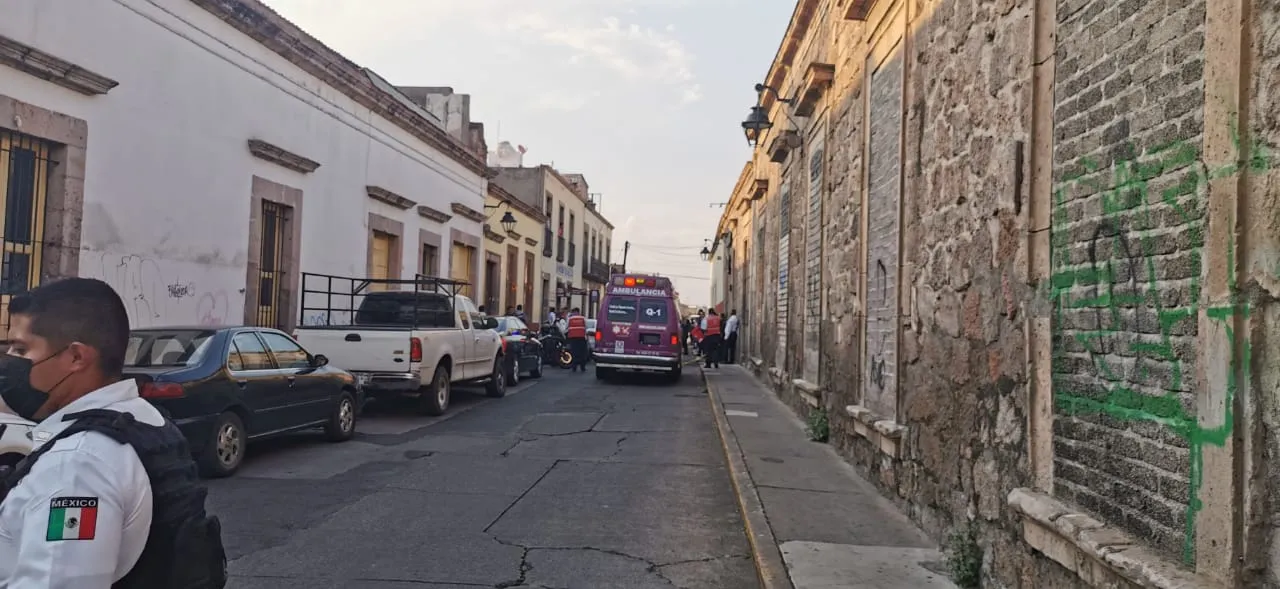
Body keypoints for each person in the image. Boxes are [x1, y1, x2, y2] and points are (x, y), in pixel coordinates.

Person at [0, 278, 227, 588]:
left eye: (20, 348)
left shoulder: (77, 465)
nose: (9, 360)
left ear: (77, 357)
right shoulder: (143, 418)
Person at [564, 308, 589, 373]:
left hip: (573, 338)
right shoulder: (583, 318)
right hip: (581, 338)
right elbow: (586, 327)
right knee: (582, 353)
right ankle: (582, 367)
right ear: (578, 312)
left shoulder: (570, 319)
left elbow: (566, 328)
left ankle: (574, 367)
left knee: (574, 353)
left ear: (573, 312)